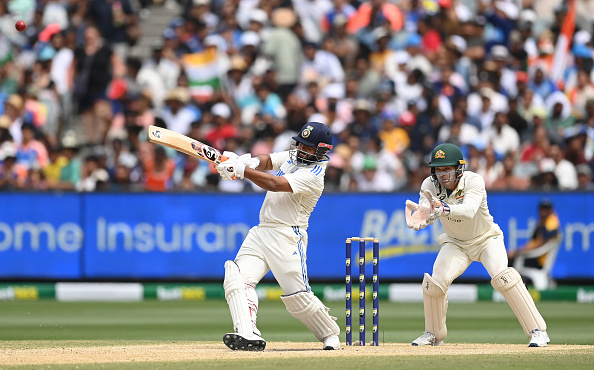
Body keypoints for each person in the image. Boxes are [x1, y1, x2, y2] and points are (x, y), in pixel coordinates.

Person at [404, 143, 550, 347]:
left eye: (447, 169)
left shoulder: (474, 181)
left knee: (503, 277)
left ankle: (538, 331)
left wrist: (443, 209)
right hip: (455, 242)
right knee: (436, 282)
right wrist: (424, 214)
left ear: (459, 168)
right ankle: (434, 334)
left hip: (486, 239)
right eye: (438, 169)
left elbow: (469, 210)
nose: (443, 175)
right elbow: (428, 208)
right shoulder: (429, 184)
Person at [215, 121, 340, 351]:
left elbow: (274, 183)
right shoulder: (295, 157)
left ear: (322, 150)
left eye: (308, 147)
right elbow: (269, 161)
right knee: (237, 280)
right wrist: (249, 161)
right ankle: (248, 333)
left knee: (297, 297)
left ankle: (330, 333)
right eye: (300, 144)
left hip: (287, 236)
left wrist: (242, 171)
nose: (302, 150)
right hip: (262, 230)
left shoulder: (314, 174)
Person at [508, 199, 562, 290]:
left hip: (538, 260)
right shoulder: (543, 221)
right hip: (533, 256)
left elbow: (540, 243)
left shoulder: (551, 223)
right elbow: (534, 242)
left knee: (511, 259)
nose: (543, 211)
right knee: (510, 256)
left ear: (551, 210)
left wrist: (517, 251)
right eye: (541, 208)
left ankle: (507, 289)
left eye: (546, 209)